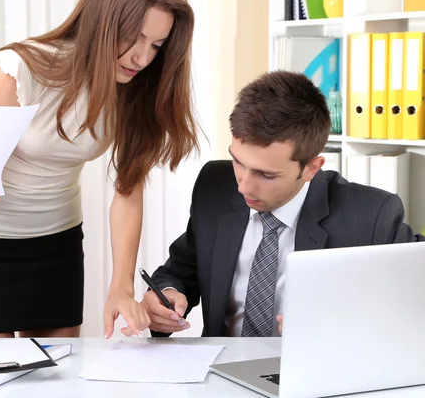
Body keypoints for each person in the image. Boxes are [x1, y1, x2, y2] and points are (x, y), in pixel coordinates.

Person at [0, 0, 199, 339]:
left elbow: (128, 190)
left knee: (55, 380)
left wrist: (121, 286)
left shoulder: (135, 90)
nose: (143, 58)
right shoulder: (19, 69)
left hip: (55, 248)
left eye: (157, 45)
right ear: (102, 22)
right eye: (134, 38)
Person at [135, 70, 425, 338]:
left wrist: (340, 323)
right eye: (238, 161)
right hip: (222, 375)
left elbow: (412, 302)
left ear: (311, 167)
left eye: (267, 174)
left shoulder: (370, 215)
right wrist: (165, 295)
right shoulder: (215, 187)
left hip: (316, 376)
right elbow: (179, 271)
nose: (243, 185)